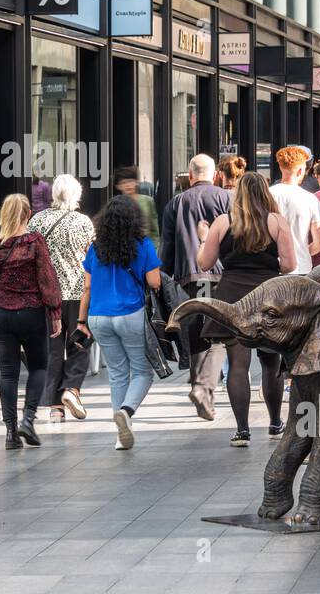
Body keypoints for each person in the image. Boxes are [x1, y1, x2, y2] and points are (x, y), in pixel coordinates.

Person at [194, 173, 297, 444]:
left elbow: (204, 264)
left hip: (232, 298)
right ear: (266, 193)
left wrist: (203, 238)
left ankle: (242, 430)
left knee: (237, 365)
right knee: (271, 362)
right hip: (267, 298)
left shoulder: (223, 222)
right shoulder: (276, 222)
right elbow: (289, 265)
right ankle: (275, 423)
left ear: (237, 194)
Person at [72, 196, 162, 449]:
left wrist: (81, 320)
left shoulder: (95, 247)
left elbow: (87, 287)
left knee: (117, 373)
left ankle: (120, 436)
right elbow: (154, 282)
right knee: (142, 371)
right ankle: (126, 411)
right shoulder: (142, 244)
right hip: (130, 314)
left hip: (98, 317)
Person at [0, 194, 62, 449]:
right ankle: (28, 419)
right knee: (38, 367)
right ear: (28, 215)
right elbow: (47, 280)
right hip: (32, 312)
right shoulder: (35, 242)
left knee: (9, 372)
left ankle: (11, 433)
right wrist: (55, 313)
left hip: (1, 314)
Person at [159, 154, 232, 416]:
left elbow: (167, 247)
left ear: (190, 176)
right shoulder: (226, 199)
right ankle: (203, 387)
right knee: (221, 335)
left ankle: (199, 388)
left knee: (196, 330)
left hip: (189, 278)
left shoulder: (175, 203)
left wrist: (164, 276)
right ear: (215, 176)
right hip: (220, 275)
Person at [29, 175, 97, 421]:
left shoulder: (37, 221)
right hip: (79, 292)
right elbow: (91, 257)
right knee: (80, 342)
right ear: (77, 195)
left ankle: (55, 407)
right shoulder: (84, 222)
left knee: (52, 349)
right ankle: (72, 388)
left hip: (47, 294)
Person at [269, 146, 320, 274]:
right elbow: (319, 244)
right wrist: (303, 252)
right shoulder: (310, 199)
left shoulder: (266, 195)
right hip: (301, 267)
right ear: (300, 170)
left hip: (272, 267)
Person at [114, 165, 159, 246]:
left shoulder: (148, 201)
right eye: (124, 182)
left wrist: (155, 250)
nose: (128, 185)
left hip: (145, 248)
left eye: (130, 181)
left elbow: (154, 231)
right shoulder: (115, 204)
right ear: (118, 186)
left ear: (137, 182)